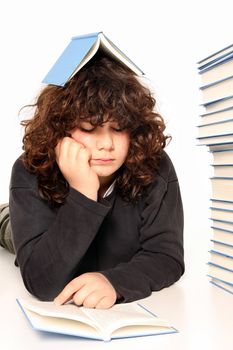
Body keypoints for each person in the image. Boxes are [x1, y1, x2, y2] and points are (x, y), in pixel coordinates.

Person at [4, 54, 184, 309]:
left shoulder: (156, 166)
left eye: (119, 128)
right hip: (30, 231)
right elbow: (42, 282)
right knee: (9, 228)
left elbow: (167, 256)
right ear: (60, 131)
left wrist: (115, 281)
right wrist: (83, 192)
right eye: (89, 129)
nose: (106, 145)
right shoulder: (28, 170)